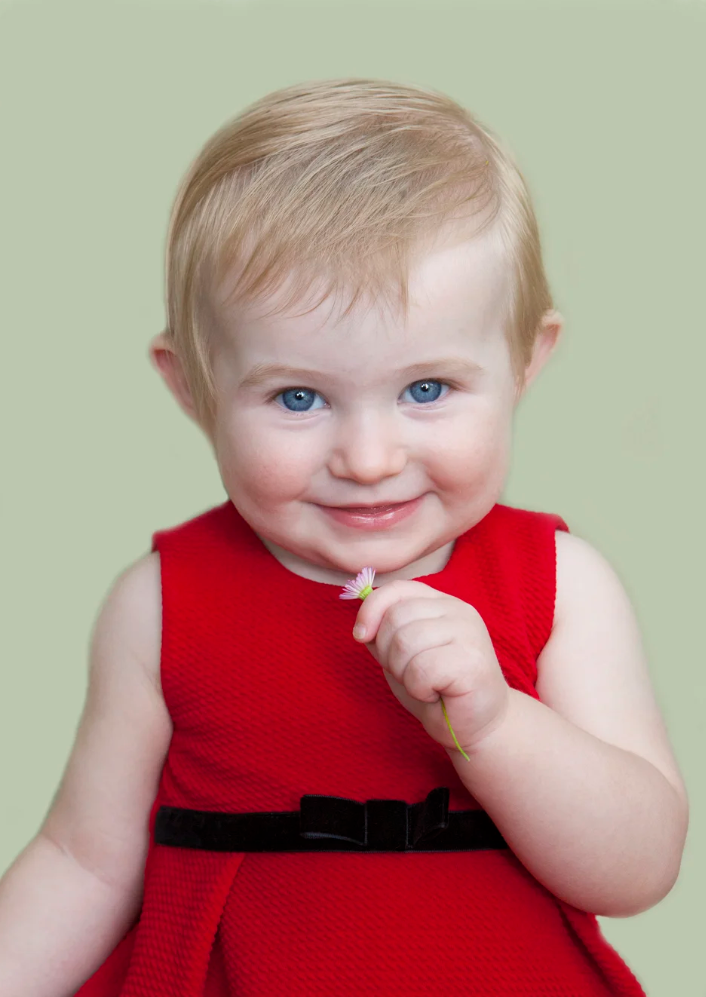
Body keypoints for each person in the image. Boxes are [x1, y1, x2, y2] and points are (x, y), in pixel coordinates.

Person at [0, 78, 689, 997]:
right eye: (298, 397)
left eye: (427, 389)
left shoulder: (560, 583)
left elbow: (637, 866)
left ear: (527, 359)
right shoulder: (159, 602)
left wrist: (497, 725)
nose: (368, 458)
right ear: (192, 387)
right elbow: (85, 861)